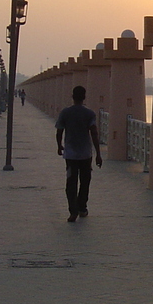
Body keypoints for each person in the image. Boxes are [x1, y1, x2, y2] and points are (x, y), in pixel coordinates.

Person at [54, 85, 103, 222]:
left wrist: (59, 146)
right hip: (86, 154)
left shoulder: (65, 112)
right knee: (85, 181)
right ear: (84, 97)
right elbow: (94, 133)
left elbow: (59, 131)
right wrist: (98, 154)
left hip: (70, 154)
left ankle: (73, 211)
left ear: (72, 96)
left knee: (71, 182)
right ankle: (82, 208)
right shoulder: (89, 113)